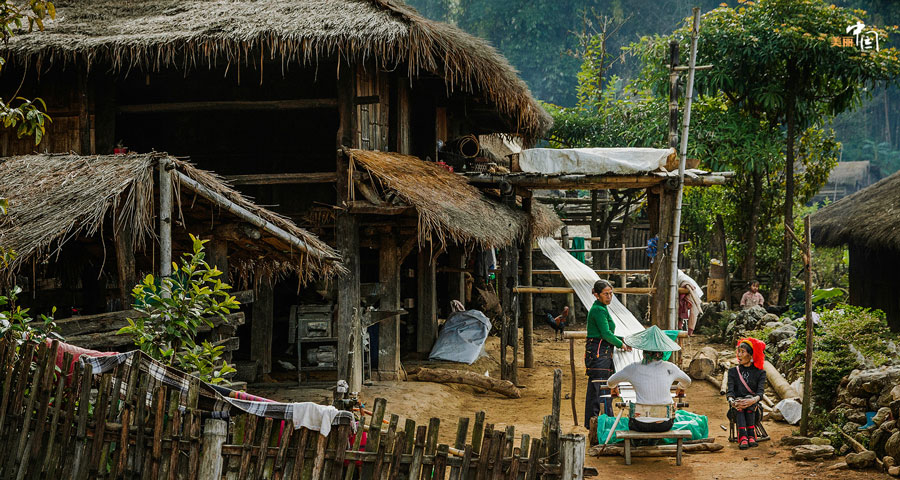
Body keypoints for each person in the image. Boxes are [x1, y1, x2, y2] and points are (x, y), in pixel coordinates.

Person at [608, 326, 691, 433]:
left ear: (644, 351)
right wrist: (680, 387)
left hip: (640, 424)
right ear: (661, 351)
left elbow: (610, 381)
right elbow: (687, 381)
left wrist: (614, 388)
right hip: (664, 424)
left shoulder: (633, 368)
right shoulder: (671, 367)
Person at [584, 279, 631, 428]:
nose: (609, 296)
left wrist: (623, 339)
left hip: (599, 352)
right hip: (599, 354)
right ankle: (607, 425)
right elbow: (605, 333)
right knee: (603, 391)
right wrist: (622, 344)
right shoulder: (598, 310)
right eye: (606, 294)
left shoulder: (601, 308)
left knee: (595, 391)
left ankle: (593, 425)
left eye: (611, 293)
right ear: (597, 295)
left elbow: (607, 333)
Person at [727, 338, 767, 449]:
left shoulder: (760, 373)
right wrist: (733, 401)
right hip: (736, 407)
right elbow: (730, 391)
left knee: (749, 402)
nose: (739, 355)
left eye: (742, 352)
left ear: (751, 355)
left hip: (754, 408)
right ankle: (744, 437)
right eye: (738, 352)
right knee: (740, 405)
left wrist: (751, 401)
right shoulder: (733, 372)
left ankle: (750, 435)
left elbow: (760, 393)